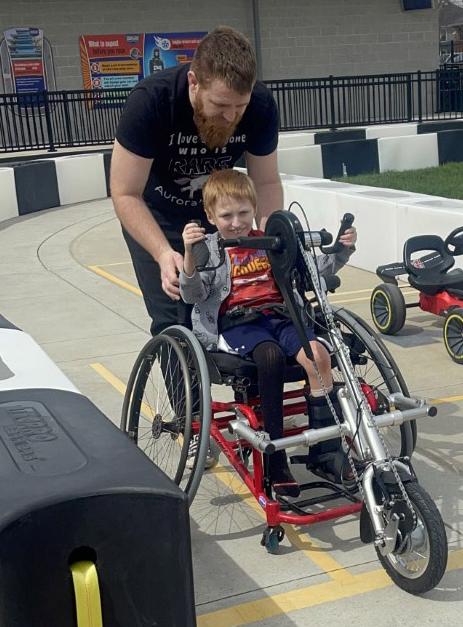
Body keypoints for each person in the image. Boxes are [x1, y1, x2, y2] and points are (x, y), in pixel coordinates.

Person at [179, 170, 357, 498]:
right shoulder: (207, 248)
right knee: (270, 355)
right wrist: (188, 255)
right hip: (237, 323)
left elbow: (313, 270)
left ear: (255, 208)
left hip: (281, 317)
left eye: (243, 213)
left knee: (319, 356)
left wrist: (342, 250)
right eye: (226, 215)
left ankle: (327, 451)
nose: (236, 222)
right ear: (210, 216)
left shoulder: (272, 241)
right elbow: (193, 294)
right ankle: (275, 458)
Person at [110, 26, 284, 336]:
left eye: (239, 107)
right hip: (157, 216)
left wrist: (267, 239)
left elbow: (267, 182)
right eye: (220, 106)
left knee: (242, 307)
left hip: (219, 214)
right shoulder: (151, 101)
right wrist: (163, 253)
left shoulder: (260, 104)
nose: (231, 117)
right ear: (194, 83)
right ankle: (184, 384)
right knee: (175, 319)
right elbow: (125, 193)